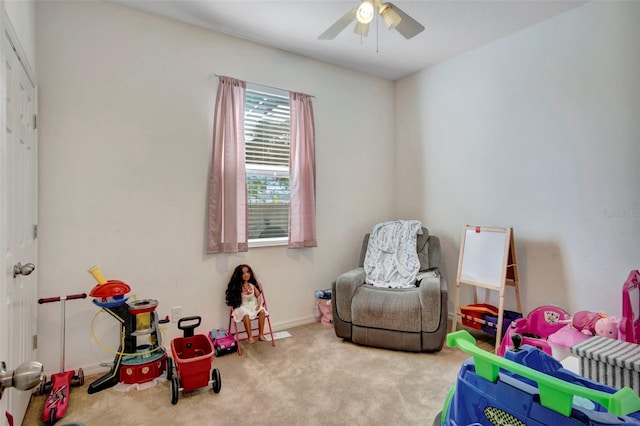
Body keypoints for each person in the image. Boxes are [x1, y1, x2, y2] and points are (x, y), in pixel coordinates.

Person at [225, 264, 268, 344]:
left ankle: (261, 334)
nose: (246, 275)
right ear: (238, 275)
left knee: (262, 311)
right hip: (242, 307)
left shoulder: (252, 286)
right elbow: (234, 297)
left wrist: (259, 304)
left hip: (253, 305)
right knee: (245, 314)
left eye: (248, 272)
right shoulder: (238, 287)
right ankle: (250, 337)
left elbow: (258, 295)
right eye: (243, 273)